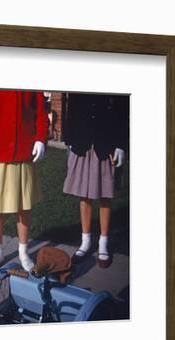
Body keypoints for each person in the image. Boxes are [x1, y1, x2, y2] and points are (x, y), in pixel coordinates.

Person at [0, 89, 49, 273]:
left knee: (23, 205)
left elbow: (41, 112)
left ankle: (23, 251)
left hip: (22, 149)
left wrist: (40, 138)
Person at [62, 92, 129, 268]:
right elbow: (71, 107)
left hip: (106, 142)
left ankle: (103, 242)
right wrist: (69, 138)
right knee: (84, 194)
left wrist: (122, 144)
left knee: (105, 194)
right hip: (82, 140)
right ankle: (86, 240)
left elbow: (123, 110)